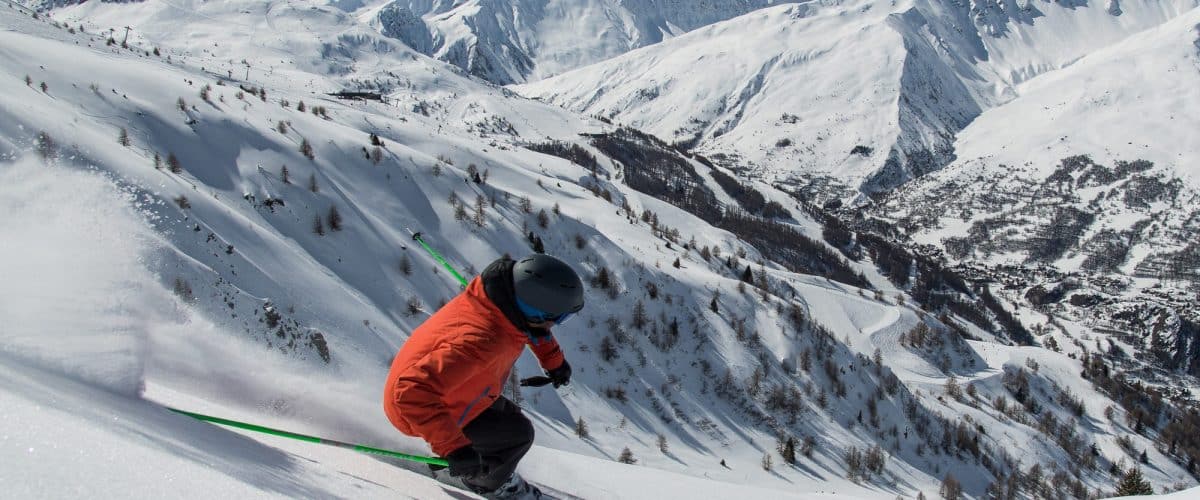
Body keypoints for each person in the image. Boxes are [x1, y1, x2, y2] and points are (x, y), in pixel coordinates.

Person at [383, 254, 584, 499]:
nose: (558, 324)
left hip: (452, 390)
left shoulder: (496, 301)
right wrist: (454, 449)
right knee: (517, 436)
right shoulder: (483, 341)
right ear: (536, 313)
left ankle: (476, 464)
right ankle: (480, 482)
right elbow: (411, 392)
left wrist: (555, 362)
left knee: (509, 421)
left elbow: (530, 329)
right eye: (560, 318)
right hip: (415, 410)